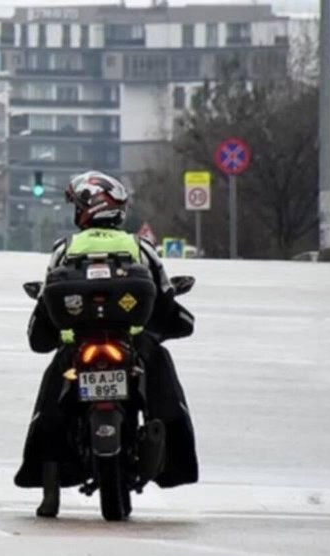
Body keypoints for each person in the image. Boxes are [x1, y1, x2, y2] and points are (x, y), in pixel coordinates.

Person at [15, 171, 198, 518]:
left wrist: (46, 334)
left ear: (86, 208)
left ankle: (49, 490)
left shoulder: (64, 249)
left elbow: (45, 310)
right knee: (165, 390)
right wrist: (177, 321)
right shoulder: (139, 246)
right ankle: (174, 463)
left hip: (76, 347)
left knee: (50, 405)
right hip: (133, 343)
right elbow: (165, 296)